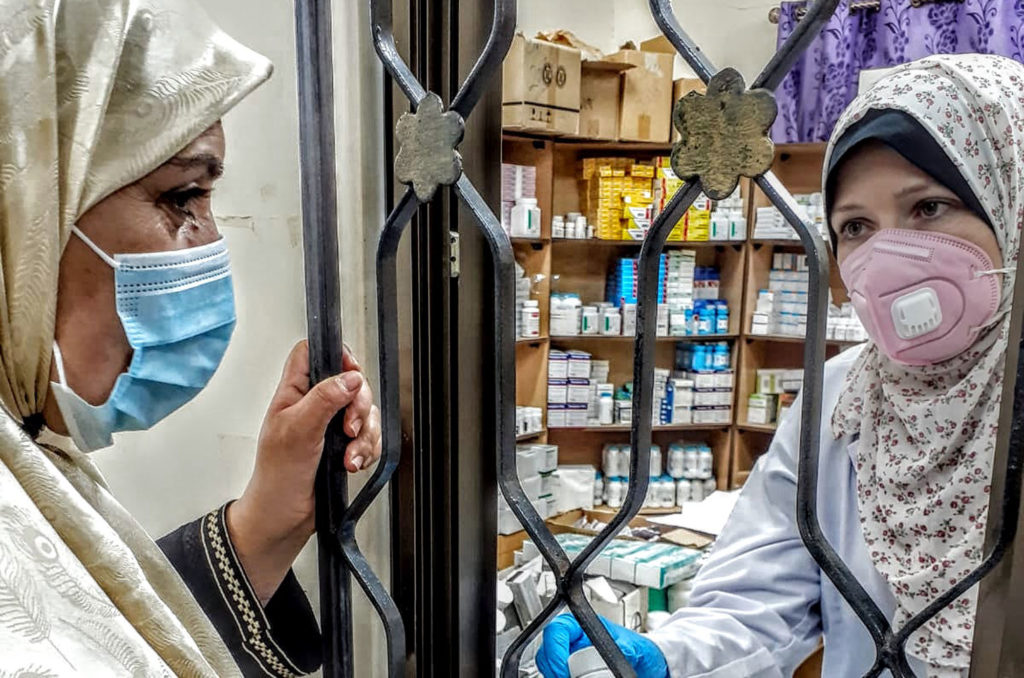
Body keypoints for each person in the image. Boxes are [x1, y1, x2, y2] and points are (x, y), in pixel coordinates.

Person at [536, 53, 1021, 678]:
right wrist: (665, 655)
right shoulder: (842, 398)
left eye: (927, 208)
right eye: (855, 226)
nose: (889, 258)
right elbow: (758, 601)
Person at [0, 1, 381, 675]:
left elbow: (115, 629)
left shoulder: (28, 463)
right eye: (183, 197)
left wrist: (271, 518)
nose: (208, 242)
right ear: (25, 204)